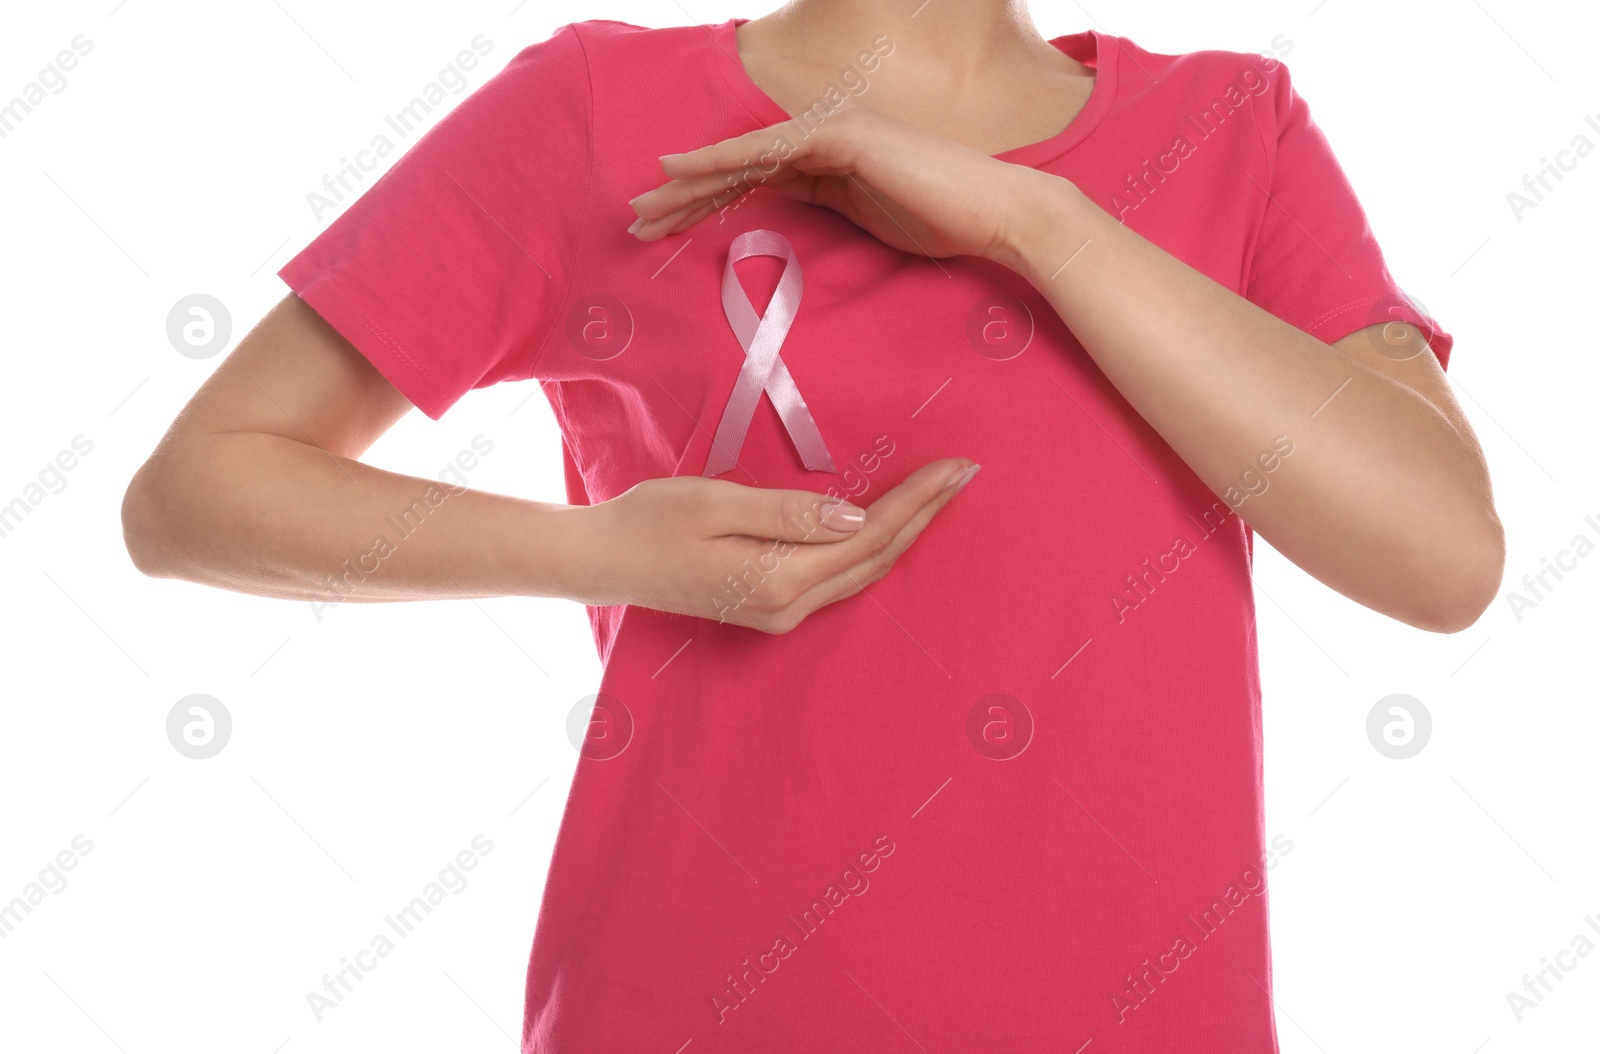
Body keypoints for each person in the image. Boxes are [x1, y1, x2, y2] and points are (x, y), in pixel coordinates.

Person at [121, 2, 1504, 1050]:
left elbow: (1442, 553)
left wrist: (1036, 222)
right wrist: (601, 553)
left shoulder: (1233, 131)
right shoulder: (597, 110)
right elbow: (198, 491)